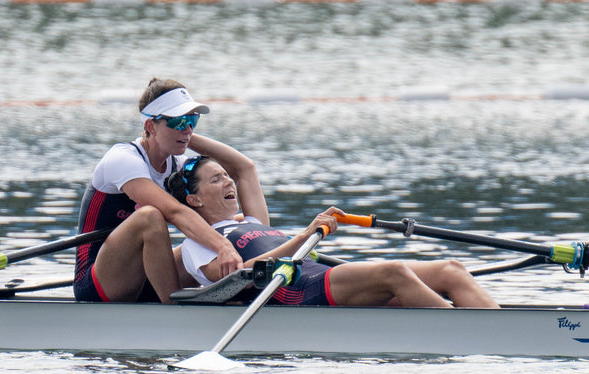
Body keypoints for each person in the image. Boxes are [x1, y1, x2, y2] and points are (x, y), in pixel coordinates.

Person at [165, 156, 500, 308]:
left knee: (451, 269)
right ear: (193, 199)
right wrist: (305, 234)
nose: (228, 181)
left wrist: (183, 135)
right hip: (297, 292)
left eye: (225, 176)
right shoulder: (196, 244)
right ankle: (467, 331)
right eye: (216, 179)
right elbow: (234, 279)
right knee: (394, 272)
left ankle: (496, 326)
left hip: (323, 276)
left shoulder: (250, 221)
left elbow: (246, 167)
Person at [74, 78, 254, 304]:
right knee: (150, 216)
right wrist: (223, 246)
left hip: (147, 276)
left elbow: (244, 168)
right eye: (179, 121)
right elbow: (174, 212)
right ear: (150, 126)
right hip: (98, 282)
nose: (187, 129)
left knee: (231, 222)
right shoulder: (123, 159)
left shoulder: (178, 166)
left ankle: (245, 291)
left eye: (192, 120)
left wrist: (246, 229)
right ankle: (174, 307)